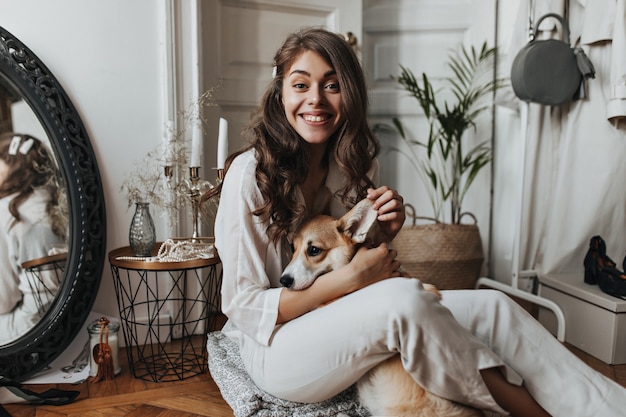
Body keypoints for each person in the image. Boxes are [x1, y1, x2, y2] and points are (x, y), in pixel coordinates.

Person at [211, 27, 626, 416]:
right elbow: (244, 306)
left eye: (332, 84)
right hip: (273, 349)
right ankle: (524, 409)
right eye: (300, 84)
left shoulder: (342, 168)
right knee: (405, 302)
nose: (316, 99)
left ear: (349, 94)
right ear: (280, 93)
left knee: (495, 307)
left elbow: (356, 264)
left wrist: (383, 234)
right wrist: (350, 280)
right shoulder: (251, 176)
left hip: (329, 322)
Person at [0, 132, 66, 344]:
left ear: (11, 166)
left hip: (29, 324)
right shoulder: (53, 201)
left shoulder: (8, 212)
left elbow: (4, 301)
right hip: (63, 314)